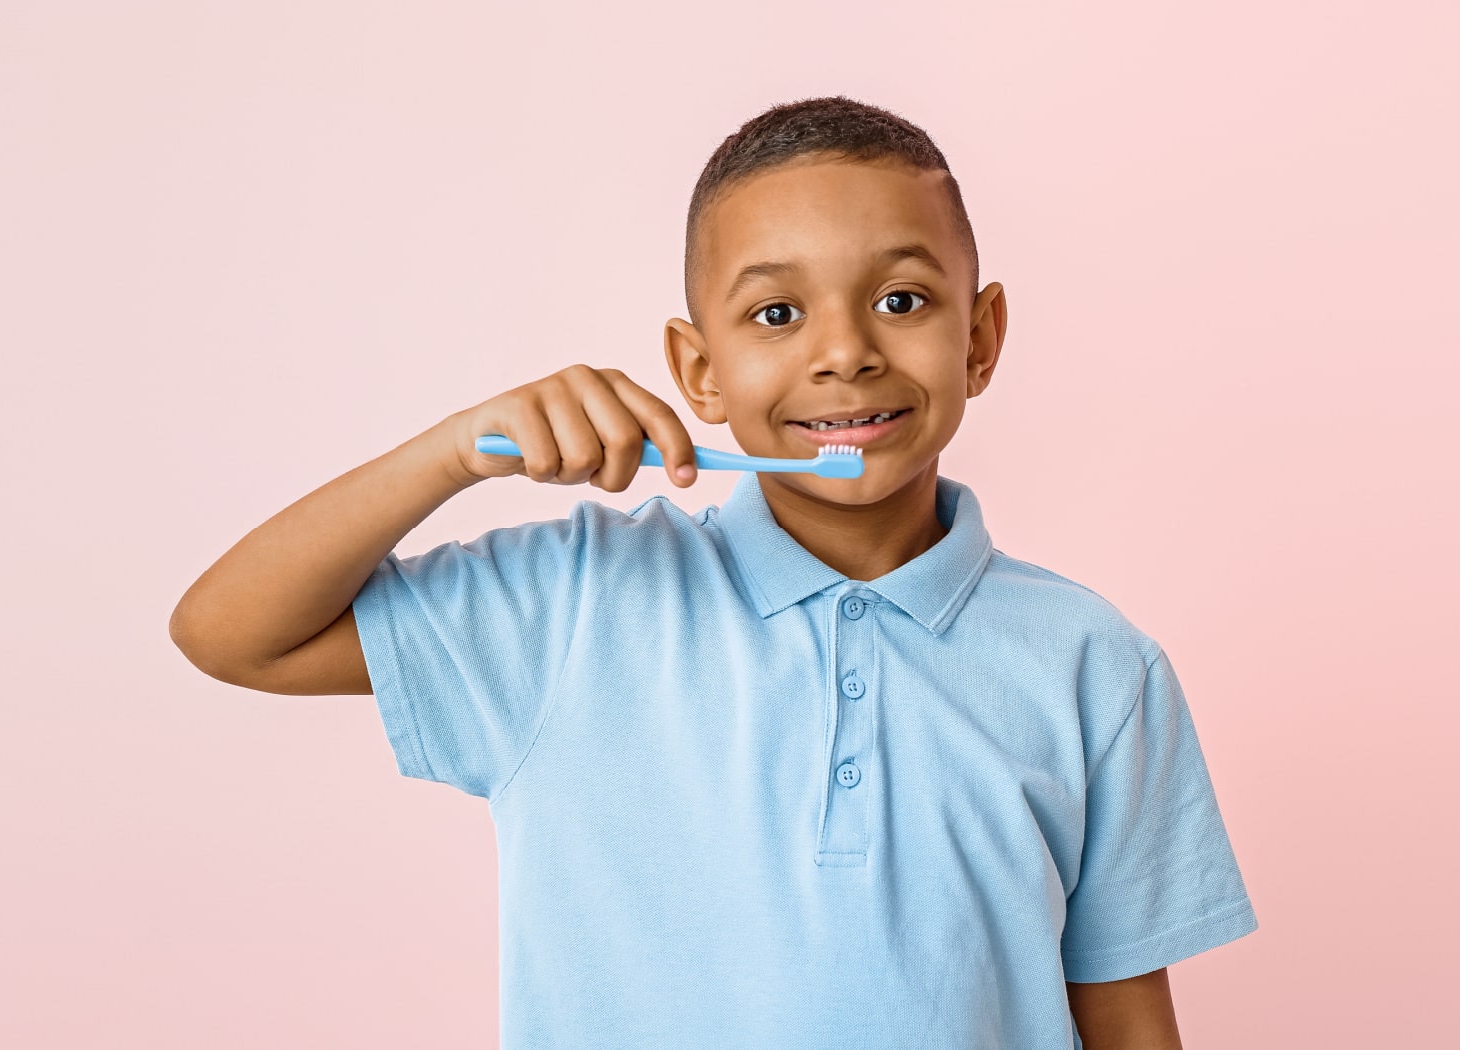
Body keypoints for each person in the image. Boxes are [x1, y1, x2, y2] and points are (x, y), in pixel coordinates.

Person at [169, 95, 1258, 1049]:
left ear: (980, 339)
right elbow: (229, 633)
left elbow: (1125, 1018)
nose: (844, 354)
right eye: (776, 314)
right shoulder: (571, 603)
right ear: (699, 370)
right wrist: (455, 452)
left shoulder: (1094, 664)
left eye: (902, 300)